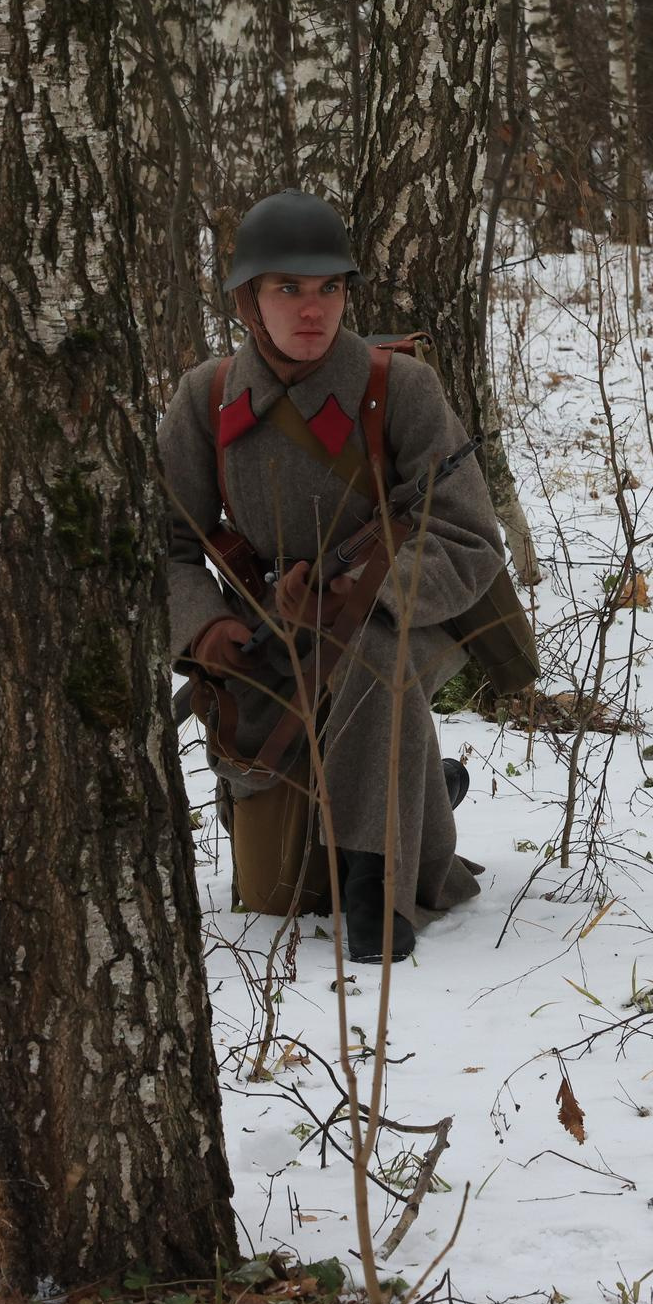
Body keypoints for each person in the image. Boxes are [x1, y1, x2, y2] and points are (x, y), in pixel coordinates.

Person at [160, 190, 506, 963]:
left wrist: (365, 592)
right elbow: (168, 546)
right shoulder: (205, 398)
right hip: (268, 646)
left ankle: (376, 897)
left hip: (401, 618)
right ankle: (430, 794)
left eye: (329, 289)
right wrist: (207, 628)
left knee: (370, 653)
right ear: (249, 300)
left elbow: (470, 538)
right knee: (277, 893)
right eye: (288, 288)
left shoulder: (402, 389)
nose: (312, 309)